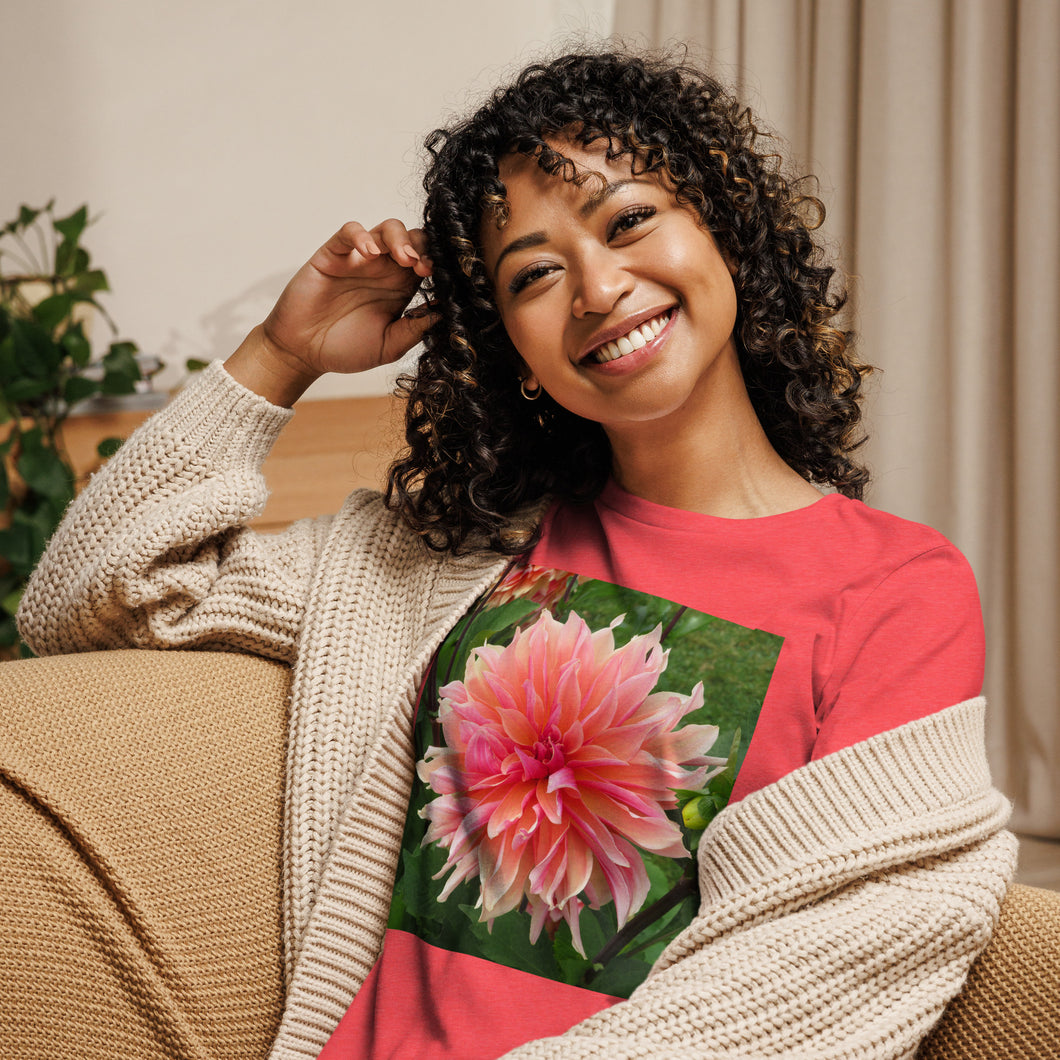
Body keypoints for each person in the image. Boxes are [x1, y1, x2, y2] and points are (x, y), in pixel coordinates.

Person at [12, 49, 1014, 1060]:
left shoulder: (892, 586)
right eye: (534, 272)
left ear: (724, 229)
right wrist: (280, 355)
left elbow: (826, 959)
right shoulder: (450, 560)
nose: (597, 286)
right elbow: (95, 598)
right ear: (514, 351)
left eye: (628, 221)